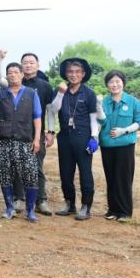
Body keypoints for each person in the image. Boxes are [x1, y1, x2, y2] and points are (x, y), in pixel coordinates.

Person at [0, 51, 56, 215]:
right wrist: (1, 58)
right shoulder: (8, 86)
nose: (28, 65)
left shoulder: (44, 85)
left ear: (38, 65)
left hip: (35, 133)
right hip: (12, 134)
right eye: (25, 62)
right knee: (14, 168)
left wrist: (50, 131)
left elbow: (48, 111)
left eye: (31, 62)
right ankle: (19, 199)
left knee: (36, 167)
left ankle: (41, 201)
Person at [0, 62, 42, 222]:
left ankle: (30, 210)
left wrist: (37, 139)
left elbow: (37, 117)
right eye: (9, 72)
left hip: (25, 141)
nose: (12, 75)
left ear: (22, 75)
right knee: (4, 175)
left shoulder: (31, 93)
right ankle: (9, 208)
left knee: (30, 174)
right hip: (5, 142)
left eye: (16, 72)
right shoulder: (1, 93)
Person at [49, 57, 99, 221]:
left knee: (85, 173)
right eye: (70, 72)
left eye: (77, 72)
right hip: (65, 136)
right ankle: (69, 204)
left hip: (83, 136)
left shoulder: (89, 93)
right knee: (65, 172)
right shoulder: (61, 91)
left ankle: (86, 206)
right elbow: (54, 109)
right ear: (65, 73)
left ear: (83, 74)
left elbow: (93, 118)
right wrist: (60, 93)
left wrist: (94, 138)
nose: (73, 75)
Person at [97, 70, 140, 222]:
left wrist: (124, 130)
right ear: (107, 85)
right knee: (111, 177)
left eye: (118, 81)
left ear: (123, 83)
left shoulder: (132, 101)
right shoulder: (104, 101)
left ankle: (124, 212)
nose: (115, 84)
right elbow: (101, 121)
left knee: (123, 178)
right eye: (111, 82)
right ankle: (112, 210)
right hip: (107, 145)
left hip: (125, 145)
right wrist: (98, 107)